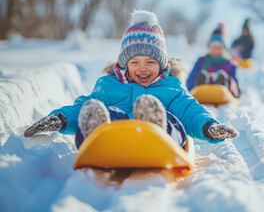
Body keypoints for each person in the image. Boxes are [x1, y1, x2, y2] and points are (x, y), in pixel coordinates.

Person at [24, 10, 239, 148]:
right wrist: (60, 118)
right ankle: (96, 133)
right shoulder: (110, 85)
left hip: (162, 139)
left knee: (168, 117)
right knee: (105, 113)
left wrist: (209, 126)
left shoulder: (171, 88)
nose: (142, 68)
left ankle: (154, 122)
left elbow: (192, 111)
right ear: (124, 64)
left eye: (151, 62)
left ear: (163, 65)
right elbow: (82, 107)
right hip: (116, 139)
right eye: (134, 62)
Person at [186, 22, 240, 98]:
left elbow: (235, 86)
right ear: (209, 48)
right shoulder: (202, 61)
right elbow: (190, 79)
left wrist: (228, 81)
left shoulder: (230, 64)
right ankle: (202, 83)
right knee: (201, 75)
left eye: (219, 48)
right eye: (213, 48)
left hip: (223, 92)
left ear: (224, 49)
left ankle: (221, 83)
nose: (216, 50)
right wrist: (193, 86)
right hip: (201, 90)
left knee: (222, 76)